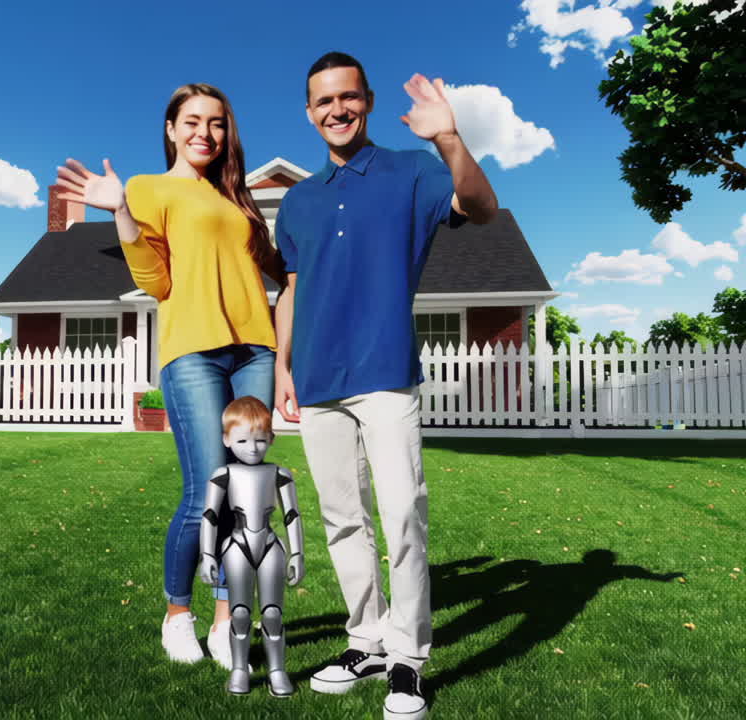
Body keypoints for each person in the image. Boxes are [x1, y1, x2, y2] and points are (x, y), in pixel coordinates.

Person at [272, 52, 499, 720]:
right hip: (315, 379)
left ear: (365, 101)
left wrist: (449, 138)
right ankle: (366, 641)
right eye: (323, 102)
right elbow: (290, 287)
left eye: (347, 98)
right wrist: (283, 364)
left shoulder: (413, 171)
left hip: (385, 372)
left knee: (402, 514)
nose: (336, 110)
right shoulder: (298, 200)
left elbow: (482, 209)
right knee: (343, 520)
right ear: (309, 112)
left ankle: (407, 659)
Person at [55, 83, 284, 670]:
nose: (205, 133)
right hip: (194, 351)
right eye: (193, 121)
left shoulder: (238, 197)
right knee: (205, 491)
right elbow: (155, 283)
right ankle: (177, 613)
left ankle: (222, 618)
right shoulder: (147, 188)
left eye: (216, 123)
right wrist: (123, 212)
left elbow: (279, 275)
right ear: (170, 127)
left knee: (245, 496)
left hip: (255, 349)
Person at [198, 396, 305, 697]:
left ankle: (277, 671)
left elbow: (292, 514)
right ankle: (239, 669)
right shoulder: (223, 475)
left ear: (271, 438)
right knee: (240, 612)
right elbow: (210, 515)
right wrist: (207, 554)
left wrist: (297, 553)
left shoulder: (281, 474)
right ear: (227, 439)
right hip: (237, 545)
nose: (253, 447)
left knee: (273, 613)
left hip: (270, 544)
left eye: (260, 440)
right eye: (243, 440)